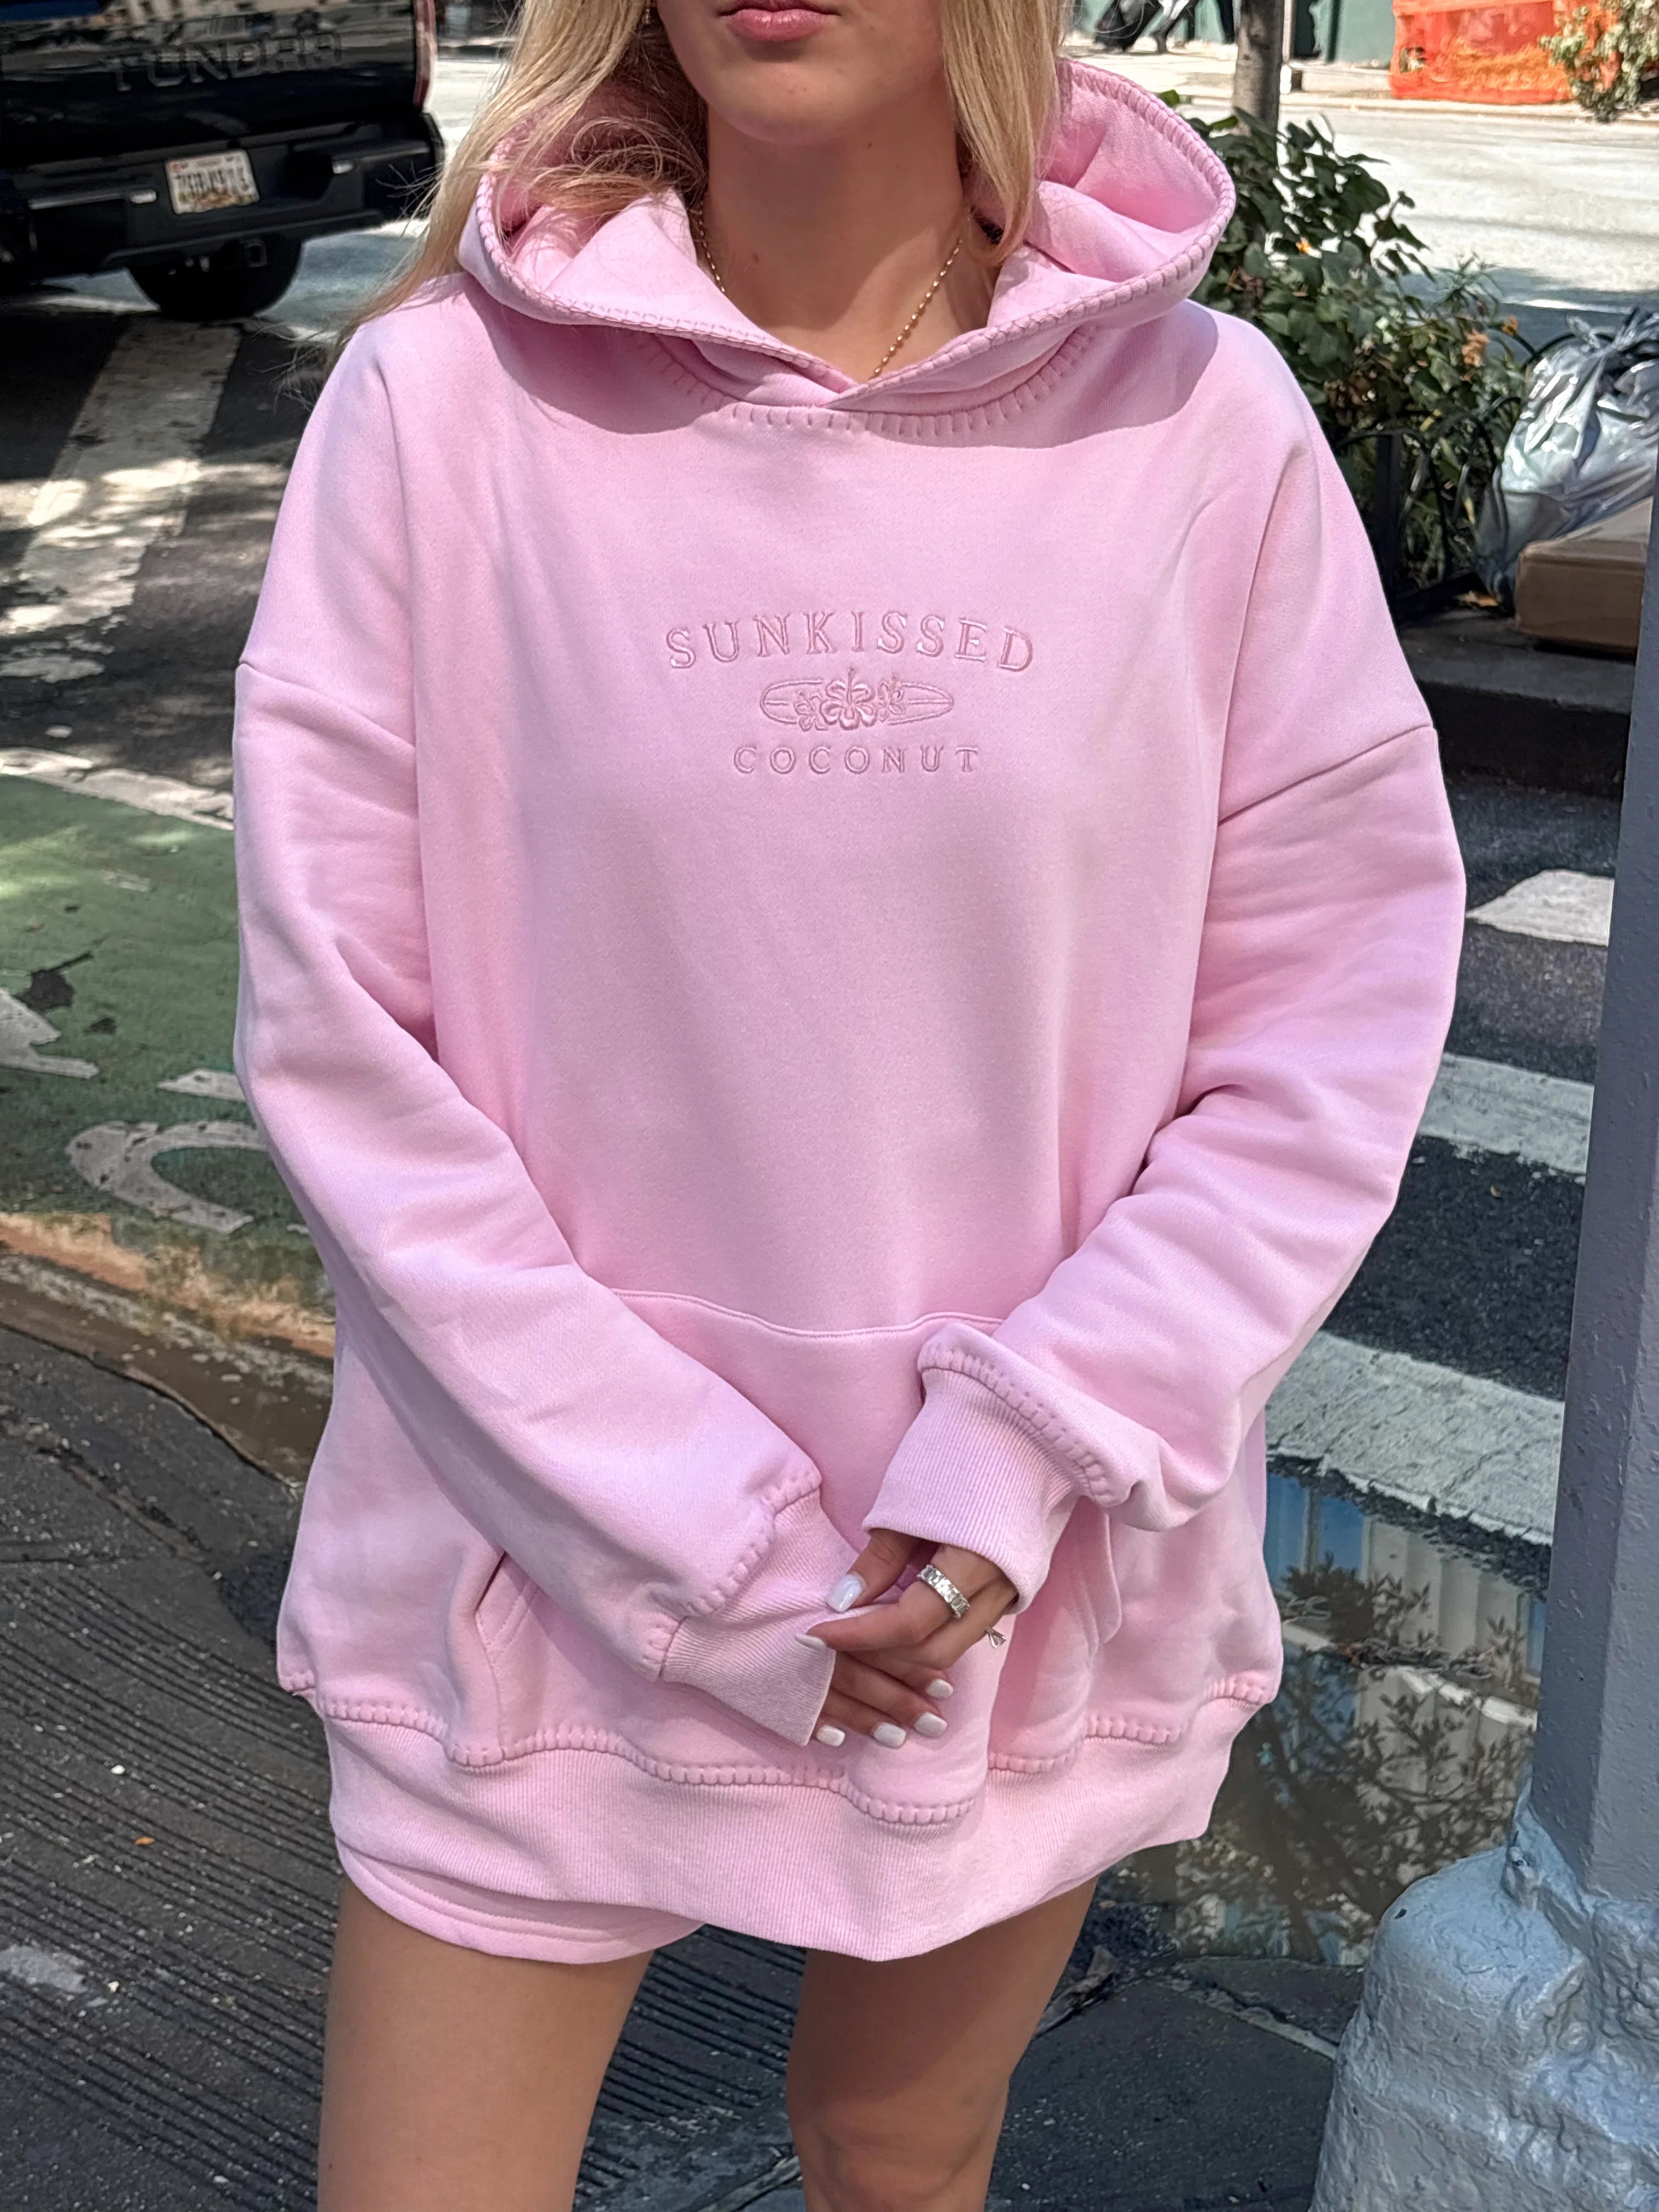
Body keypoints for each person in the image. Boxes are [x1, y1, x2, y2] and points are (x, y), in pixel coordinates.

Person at [229, 1, 1466, 2205]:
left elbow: (1323, 1029)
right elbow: (348, 1051)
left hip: (1004, 1584)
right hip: (536, 1576)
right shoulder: (441, 408)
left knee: (898, 2146)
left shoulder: (1202, 427)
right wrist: (702, 1533)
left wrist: (1024, 1453)